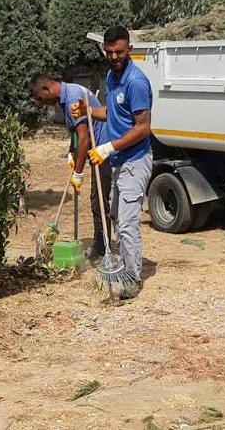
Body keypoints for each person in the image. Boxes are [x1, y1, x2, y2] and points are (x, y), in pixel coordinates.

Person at [70, 26, 152, 299]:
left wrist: (107, 147)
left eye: (119, 51)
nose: (114, 56)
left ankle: (132, 278)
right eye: (109, 52)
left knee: (128, 223)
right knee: (117, 216)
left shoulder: (136, 82)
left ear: (129, 50)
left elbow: (143, 128)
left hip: (135, 160)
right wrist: (88, 111)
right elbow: (112, 112)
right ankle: (126, 265)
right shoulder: (111, 76)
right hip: (119, 160)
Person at [30, 75, 112, 259]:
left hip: (103, 150)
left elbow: (84, 138)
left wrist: (78, 173)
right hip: (93, 148)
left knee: (98, 200)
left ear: (47, 88)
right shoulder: (65, 98)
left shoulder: (73, 97)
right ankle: (102, 243)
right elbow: (76, 133)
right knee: (97, 200)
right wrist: (70, 151)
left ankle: (102, 246)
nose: (43, 104)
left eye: (41, 99)